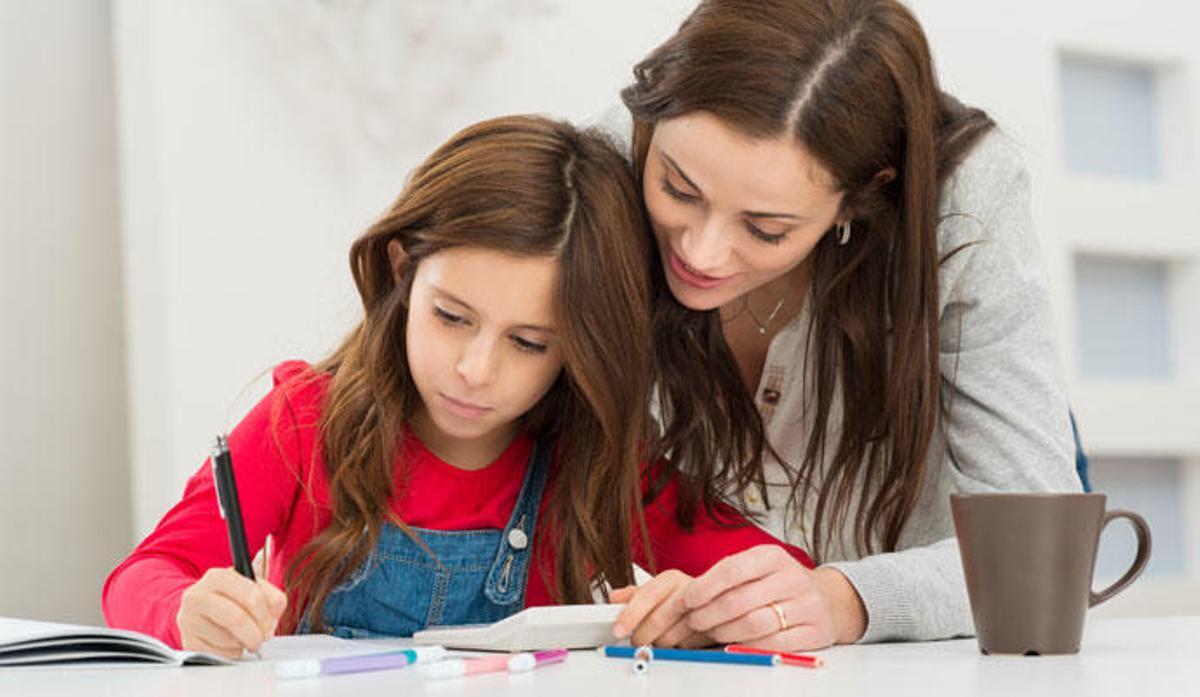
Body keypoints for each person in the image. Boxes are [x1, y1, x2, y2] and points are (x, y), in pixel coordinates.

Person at [102, 115, 812, 658]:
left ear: (580, 350)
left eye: (529, 343)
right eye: (451, 316)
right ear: (403, 270)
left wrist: (704, 608)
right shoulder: (303, 420)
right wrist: (189, 611)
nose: (476, 369)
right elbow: (143, 575)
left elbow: (787, 582)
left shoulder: (596, 459)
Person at [612, 0, 1081, 650]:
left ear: (861, 195)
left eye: (765, 228)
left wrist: (843, 600)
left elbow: (1036, 549)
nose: (700, 252)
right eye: (678, 189)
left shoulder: (962, 201)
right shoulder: (605, 167)